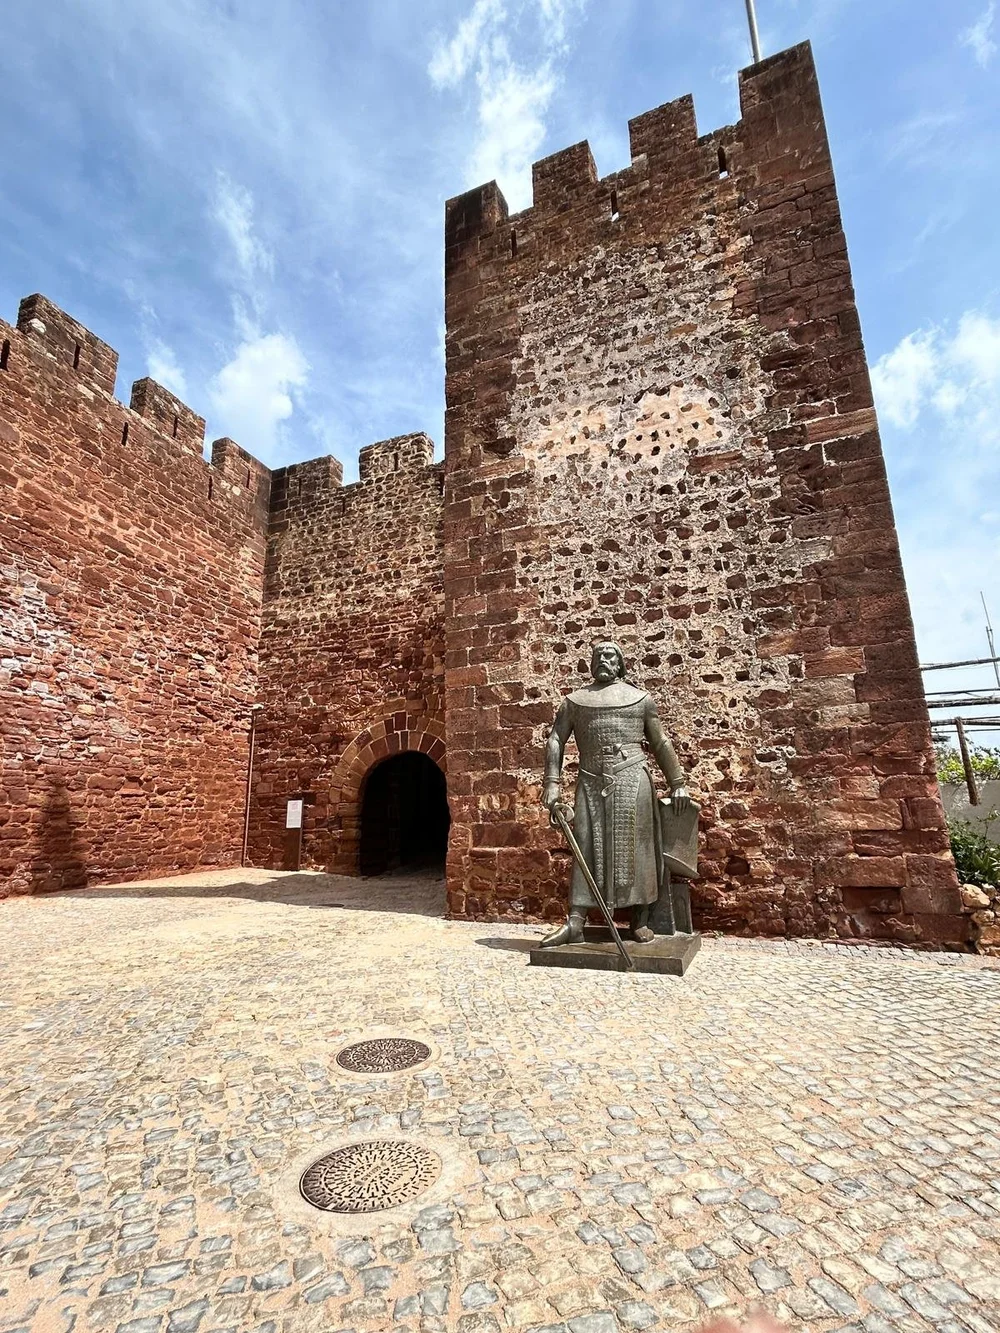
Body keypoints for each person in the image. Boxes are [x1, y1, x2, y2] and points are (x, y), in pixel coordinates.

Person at [541, 641, 690, 947]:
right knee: (584, 845)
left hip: (633, 778)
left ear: (621, 664)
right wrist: (552, 782)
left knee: (639, 849)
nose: (603, 659)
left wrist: (678, 782)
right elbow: (556, 738)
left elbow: (660, 742)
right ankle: (575, 922)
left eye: (610, 655)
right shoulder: (574, 702)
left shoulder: (641, 700)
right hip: (591, 780)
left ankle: (639, 918)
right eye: (598, 655)